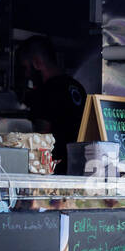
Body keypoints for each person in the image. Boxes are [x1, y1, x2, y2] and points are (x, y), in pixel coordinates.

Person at [14, 36, 86, 166]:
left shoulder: (45, 92)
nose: (26, 74)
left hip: (55, 169)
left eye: (26, 68)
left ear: (36, 63)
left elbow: (40, 139)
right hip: (79, 166)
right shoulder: (77, 87)